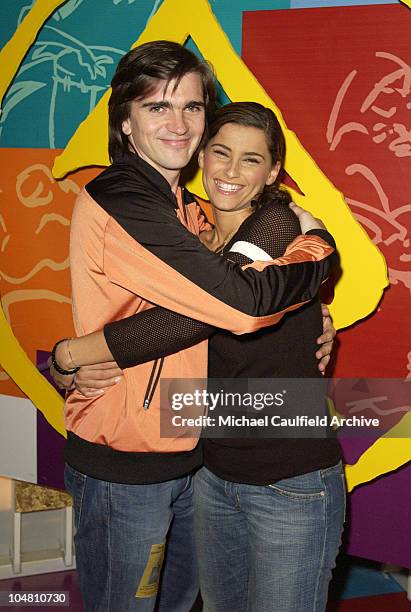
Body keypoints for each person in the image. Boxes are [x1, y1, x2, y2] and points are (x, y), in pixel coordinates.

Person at [51, 41, 336, 612]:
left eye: (191, 106)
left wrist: (318, 264)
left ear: (273, 170)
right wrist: (67, 357)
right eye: (157, 106)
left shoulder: (199, 213)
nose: (178, 124)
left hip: (215, 463)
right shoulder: (129, 199)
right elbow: (231, 306)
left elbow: (215, 309)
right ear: (125, 122)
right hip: (136, 464)